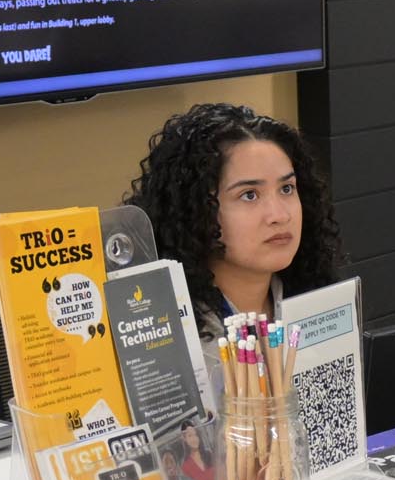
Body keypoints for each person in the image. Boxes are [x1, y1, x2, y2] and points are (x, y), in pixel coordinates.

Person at [124, 102, 346, 335]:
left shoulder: (320, 305)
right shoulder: (164, 333)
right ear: (195, 209)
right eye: (249, 195)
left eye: (287, 189)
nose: (280, 215)